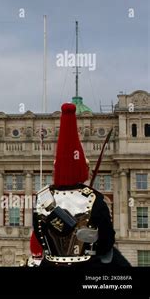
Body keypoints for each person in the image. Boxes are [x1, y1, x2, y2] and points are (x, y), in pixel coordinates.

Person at [33, 103, 116, 267]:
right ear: (82, 170)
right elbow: (107, 242)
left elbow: (40, 236)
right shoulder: (95, 199)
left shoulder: (42, 198)